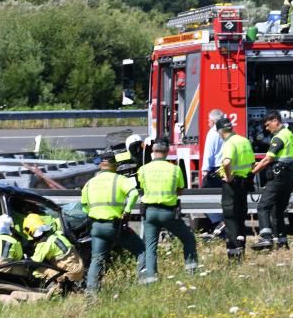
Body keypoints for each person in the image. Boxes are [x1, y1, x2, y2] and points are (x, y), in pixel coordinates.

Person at [80, 150, 144, 293]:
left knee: (97, 260)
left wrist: (93, 214)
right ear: (114, 165)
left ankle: (91, 293)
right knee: (141, 250)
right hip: (115, 226)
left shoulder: (90, 183)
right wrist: (127, 211)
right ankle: (144, 282)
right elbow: (134, 194)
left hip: (96, 226)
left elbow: (84, 205)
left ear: (100, 166)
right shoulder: (120, 180)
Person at [136, 138, 198, 282]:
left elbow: (142, 188)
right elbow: (181, 190)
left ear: (153, 151)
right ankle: (191, 272)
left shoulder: (143, 170)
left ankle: (151, 278)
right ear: (167, 152)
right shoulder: (175, 169)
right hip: (168, 213)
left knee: (150, 246)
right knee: (188, 239)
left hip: (149, 212)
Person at [250, 111, 293, 250]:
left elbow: (267, 159)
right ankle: (282, 242)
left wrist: (252, 173)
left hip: (279, 176)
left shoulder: (279, 137)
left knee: (263, 206)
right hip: (288, 177)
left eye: (268, 124)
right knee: (277, 211)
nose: (266, 128)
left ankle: (266, 238)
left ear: (276, 121)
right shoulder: (289, 134)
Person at [217, 118, 255, 259]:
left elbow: (227, 162)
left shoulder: (229, 143)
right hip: (244, 184)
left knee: (230, 218)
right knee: (240, 219)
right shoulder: (244, 140)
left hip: (232, 186)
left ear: (220, 132)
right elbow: (252, 164)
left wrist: (229, 177)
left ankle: (234, 257)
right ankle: (241, 251)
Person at [22, 213, 84, 285]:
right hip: (80, 269)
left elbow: (34, 262)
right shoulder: (58, 234)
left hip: (71, 274)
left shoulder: (43, 244)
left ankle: (55, 287)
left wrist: (25, 260)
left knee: (37, 270)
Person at [200, 109, 226, 238]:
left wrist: (204, 170)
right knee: (223, 198)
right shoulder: (227, 132)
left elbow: (209, 153)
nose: (207, 122)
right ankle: (222, 226)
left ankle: (218, 222)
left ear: (214, 121)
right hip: (226, 168)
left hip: (214, 169)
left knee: (202, 198)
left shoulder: (212, 133)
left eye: (209, 120)